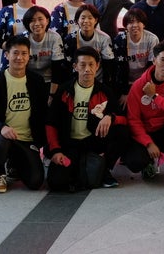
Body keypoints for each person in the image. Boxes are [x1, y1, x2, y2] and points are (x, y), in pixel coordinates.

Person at [45, 46, 129, 191]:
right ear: (75, 67)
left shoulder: (105, 91)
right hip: (69, 144)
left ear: (97, 66)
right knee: (56, 182)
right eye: (82, 65)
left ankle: (104, 168)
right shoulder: (64, 90)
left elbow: (124, 119)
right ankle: (81, 168)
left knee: (122, 132)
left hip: (93, 144)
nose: (87, 69)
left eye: (91, 64)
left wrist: (110, 117)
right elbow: (50, 123)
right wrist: (55, 151)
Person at [0, 36, 48, 193]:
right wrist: (1, 127)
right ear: (6, 55)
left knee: (35, 182)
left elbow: (43, 114)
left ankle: (14, 162)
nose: (19, 58)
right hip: (4, 136)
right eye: (15, 53)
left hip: (26, 139)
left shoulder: (37, 81)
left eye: (24, 53)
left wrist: (42, 143)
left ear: (29, 56)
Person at [121, 41, 164, 188]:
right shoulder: (139, 85)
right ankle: (148, 163)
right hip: (147, 133)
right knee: (134, 162)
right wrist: (148, 143)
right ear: (154, 61)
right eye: (163, 60)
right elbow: (134, 120)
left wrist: (154, 97)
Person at [112, 8, 159, 105]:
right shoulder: (120, 40)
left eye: (138, 22)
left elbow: (152, 67)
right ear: (126, 26)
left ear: (144, 24)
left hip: (145, 81)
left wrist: (145, 87)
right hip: (125, 82)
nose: (135, 25)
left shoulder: (152, 39)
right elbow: (120, 69)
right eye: (131, 22)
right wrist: (125, 92)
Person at [18, 6, 66, 97]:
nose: (37, 24)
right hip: (28, 80)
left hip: (49, 81)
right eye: (32, 20)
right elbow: (19, 67)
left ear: (47, 21)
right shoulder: (23, 39)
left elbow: (57, 69)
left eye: (40, 19)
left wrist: (52, 95)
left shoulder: (55, 37)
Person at [62, 4, 115, 85]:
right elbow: (68, 65)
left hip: (98, 81)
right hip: (77, 80)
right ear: (77, 20)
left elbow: (109, 64)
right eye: (83, 18)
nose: (86, 21)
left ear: (95, 20)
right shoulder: (70, 39)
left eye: (90, 18)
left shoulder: (104, 38)